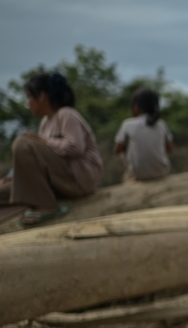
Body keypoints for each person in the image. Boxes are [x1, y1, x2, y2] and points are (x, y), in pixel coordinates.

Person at [0, 73, 102, 226]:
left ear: (42, 97)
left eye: (29, 97)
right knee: (3, 190)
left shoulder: (66, 114)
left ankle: (46, 206)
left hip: (77, 180)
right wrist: (15, 176)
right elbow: (38, 161)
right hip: (57, 182)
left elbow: (75, 147)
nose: (28, 103)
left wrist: (44, 141)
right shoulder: (45, 122)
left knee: (22, 144)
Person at [114, 88, 173, 182]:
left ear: (136, 106)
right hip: (161, 172)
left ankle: (131, 176)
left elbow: (117, 150)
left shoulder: (127, 124)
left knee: (122, 152)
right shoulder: (161, 124)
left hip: (138, 174)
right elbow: (170, 149)